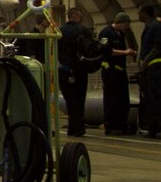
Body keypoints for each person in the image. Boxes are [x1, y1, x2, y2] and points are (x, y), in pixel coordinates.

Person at [137, 4, 161, 137]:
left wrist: (145, 61)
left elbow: (158, 47)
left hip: (157, 67)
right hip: (151, 68)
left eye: (139, 12)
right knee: (151, 98)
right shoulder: (150, 27)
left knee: (159, 97)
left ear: (144, 13)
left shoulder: (157, 26)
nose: (138, 16)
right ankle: (154, 127)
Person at [57, 7, 95, 137]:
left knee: (70, 100)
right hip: (82, 70)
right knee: (80, 99)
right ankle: (77, 127)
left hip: (66, 70)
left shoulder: (60, 31)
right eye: (80, 16)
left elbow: (57, 51)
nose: (82, 19)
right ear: (74, 16)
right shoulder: (85, 31)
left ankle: (75, 127)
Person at [98, 13, 137, 135]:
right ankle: (111, 125)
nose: (127, 27)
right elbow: (105, 50)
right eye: (126, 24)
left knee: (123, 99)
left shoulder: (120, 34)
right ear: (120, 22)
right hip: (111, 70)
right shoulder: (106, 33)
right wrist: (124, 52)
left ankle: (121, 124)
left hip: (120, 70)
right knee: (112, 99)